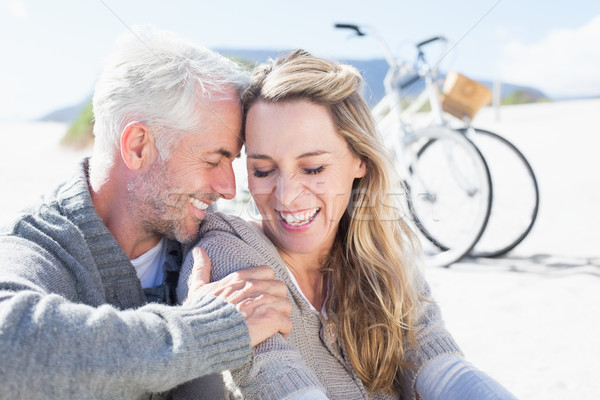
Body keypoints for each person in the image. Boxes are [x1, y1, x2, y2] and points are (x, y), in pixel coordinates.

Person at [177, 50, 518, 399]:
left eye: (313, 169)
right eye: (263, 170)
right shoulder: (227, 251)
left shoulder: (384, 255)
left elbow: (440, 364)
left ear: (360, 161)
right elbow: (275, 376)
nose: (288, 195)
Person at [0, 27, 293, 399]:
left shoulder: (214, 241)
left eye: (233, 162)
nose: (228, 188)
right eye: (212, 159)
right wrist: (210, 330)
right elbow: (8, 346)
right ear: (138, 146)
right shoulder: (40, 244)